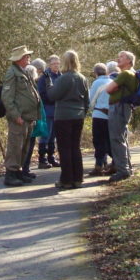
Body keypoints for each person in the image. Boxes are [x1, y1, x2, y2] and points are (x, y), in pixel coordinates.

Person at [1, 45, 41, 187]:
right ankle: (10, 174)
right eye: (26, 56)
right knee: (15, 146)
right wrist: (15, 115)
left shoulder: (24, 72)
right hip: (19, 117)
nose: (29, 58)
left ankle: (18, 172)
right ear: (19, 59)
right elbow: (7, 97)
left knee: (24, 146)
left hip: (28, 117)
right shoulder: (12, 73)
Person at [48, 50, 89, 189]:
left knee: (64, 148)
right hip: (78, 116)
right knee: (75, 147)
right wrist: (82, 112)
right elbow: (87, 100)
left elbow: (53, 95)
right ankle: (78, 178)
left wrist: (49, 86)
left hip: (63, 116)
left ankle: (66, 180)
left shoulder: (63, 78)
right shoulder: (82, 78)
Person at [102, 50, 138, 182]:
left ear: (129, 60)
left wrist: (114, 86)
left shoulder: (126, 74)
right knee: (122, 138)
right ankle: (126, 168)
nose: (118, 59)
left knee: (116, 138)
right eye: (118, 56)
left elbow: (108, 89)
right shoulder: (132, 74)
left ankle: (123, 170)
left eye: (121, 57)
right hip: (124, 107)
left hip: (119, 107)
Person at [35, 54, 62, 169]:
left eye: (57, 63)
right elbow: (41, 93)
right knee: (46, 134)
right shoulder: (44, 78)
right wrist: (52, 98)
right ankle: (42, 159)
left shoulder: (61, 76)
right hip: (48, 109)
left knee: (54, 136)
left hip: (58, 110)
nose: (56, 65)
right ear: (49, 65)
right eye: (53, 64)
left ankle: (51, 157)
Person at [87, 63, 113, 176]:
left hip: (99, 114)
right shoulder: (111, 81)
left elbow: (91, 100)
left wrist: (89, 109)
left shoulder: (97, 82)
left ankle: (98, 166)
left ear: (95, 73)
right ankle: (115, 162)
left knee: (98, 141)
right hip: (111, 115)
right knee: (109, 140)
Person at [20, 64, 40, 180]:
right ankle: (24, 169)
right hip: (28, 119)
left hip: (32, 118)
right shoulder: (30, 86)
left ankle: (25, 169)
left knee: (29, 145)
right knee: (27, 145)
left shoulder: (32, 86)